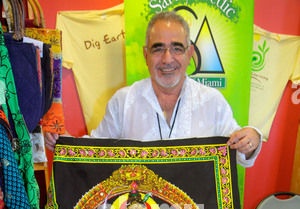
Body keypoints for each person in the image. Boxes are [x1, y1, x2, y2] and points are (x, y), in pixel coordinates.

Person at [44, 11, 262, 168]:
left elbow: (241, 154)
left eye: (177, 48)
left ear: (189, 54)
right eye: (158, 49)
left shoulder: (212, 101)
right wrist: (65, 143)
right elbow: (98, 150)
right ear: (146, 55)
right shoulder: (123, 100)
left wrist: (252, 139)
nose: (167, 59)